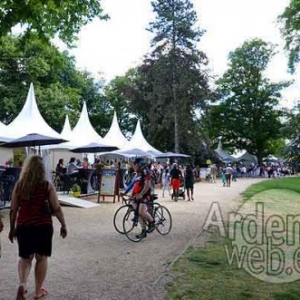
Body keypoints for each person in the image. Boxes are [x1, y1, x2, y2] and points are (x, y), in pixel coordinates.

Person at [8, 155, 67, 300]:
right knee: (41, 258)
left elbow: (13, 209)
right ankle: (38, 291)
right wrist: (63, 224)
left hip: (24, 226)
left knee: (25, 258)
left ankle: (22, 284)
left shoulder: (20, 185)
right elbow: (57, 208)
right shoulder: (47, 185)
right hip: (43, 227)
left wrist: (12, 228)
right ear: (42, 169)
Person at [130, 158, 155, 239]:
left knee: (142, 211)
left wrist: (141, 194)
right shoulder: (138, 173)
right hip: (139, 195)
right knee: (138, 212)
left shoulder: (146, 172)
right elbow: (135, 185)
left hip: (146, 194)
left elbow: (147, 185)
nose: (134, 167)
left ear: (139, 165)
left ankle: (152, 223)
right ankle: (143, 231)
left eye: (135, 165)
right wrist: (132, 195)